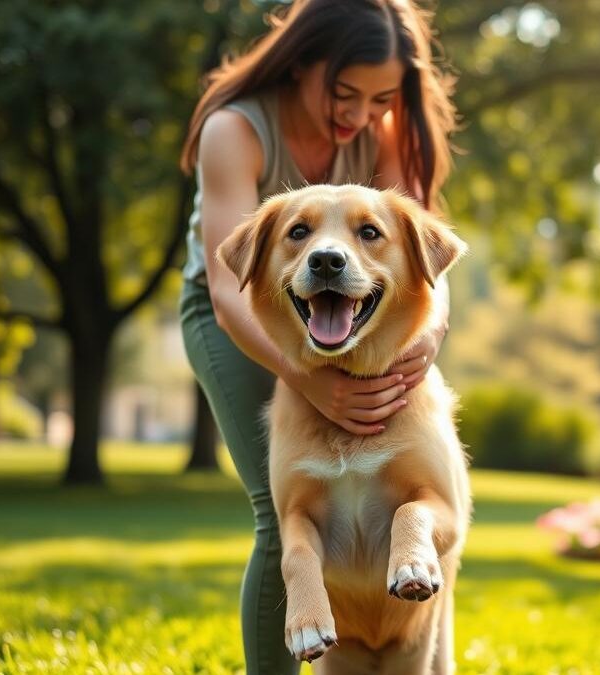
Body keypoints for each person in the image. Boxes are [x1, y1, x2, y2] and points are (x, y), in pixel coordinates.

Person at [178, 1, 457, 672]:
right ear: (304, 61)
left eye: (381, 98)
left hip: (353, 309)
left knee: (422, 503)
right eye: (345, 91)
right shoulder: (234, 129)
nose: (361, 115)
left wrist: (432, 331)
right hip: (248, 305)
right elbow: (225, 288)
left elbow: (420, 250)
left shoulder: (384, 131)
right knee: (283, 522)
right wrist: (309, 381)